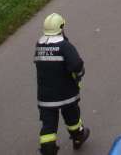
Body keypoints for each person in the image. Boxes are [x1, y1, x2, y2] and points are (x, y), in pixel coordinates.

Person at [34, 13, 90, 155]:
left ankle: (48, 150)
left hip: (45, 97)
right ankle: (78, 137)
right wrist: (79, 75)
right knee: (72, 117)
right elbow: (77, 65)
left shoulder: (39, 45)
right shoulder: (64, 46)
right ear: (61, 28)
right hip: (66, 93)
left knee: (48, 126)